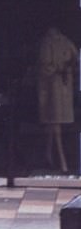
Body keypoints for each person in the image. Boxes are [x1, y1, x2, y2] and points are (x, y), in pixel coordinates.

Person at [36, 25, 78, 172]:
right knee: (54, 122)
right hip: (52, 90)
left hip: (60, 88)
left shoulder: (63, 42)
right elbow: (45, 66)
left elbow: (74, 59)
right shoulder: (48, 43)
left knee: (54, 122)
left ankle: (52, 156)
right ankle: (60, 159)